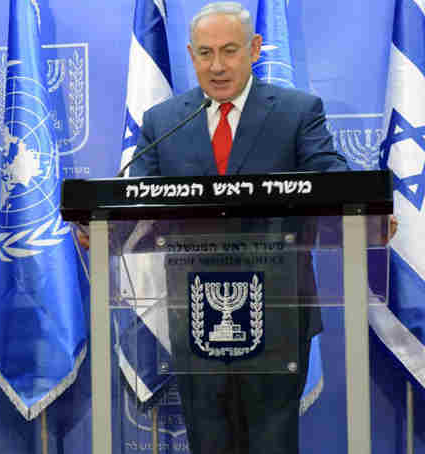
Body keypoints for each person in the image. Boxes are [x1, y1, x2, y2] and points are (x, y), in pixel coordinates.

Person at [128, 3, 347, 454]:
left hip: (279, 308)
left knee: (272, 441)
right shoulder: (164, 121)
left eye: (229, 51)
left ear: (254, 49)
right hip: (196, 309)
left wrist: (370, 207)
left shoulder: (297, 111)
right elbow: (131, 202)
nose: (217, 66)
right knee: (208, 441)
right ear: (191, 55)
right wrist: (97, 226)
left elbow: (331, 176)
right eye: (205, 53)